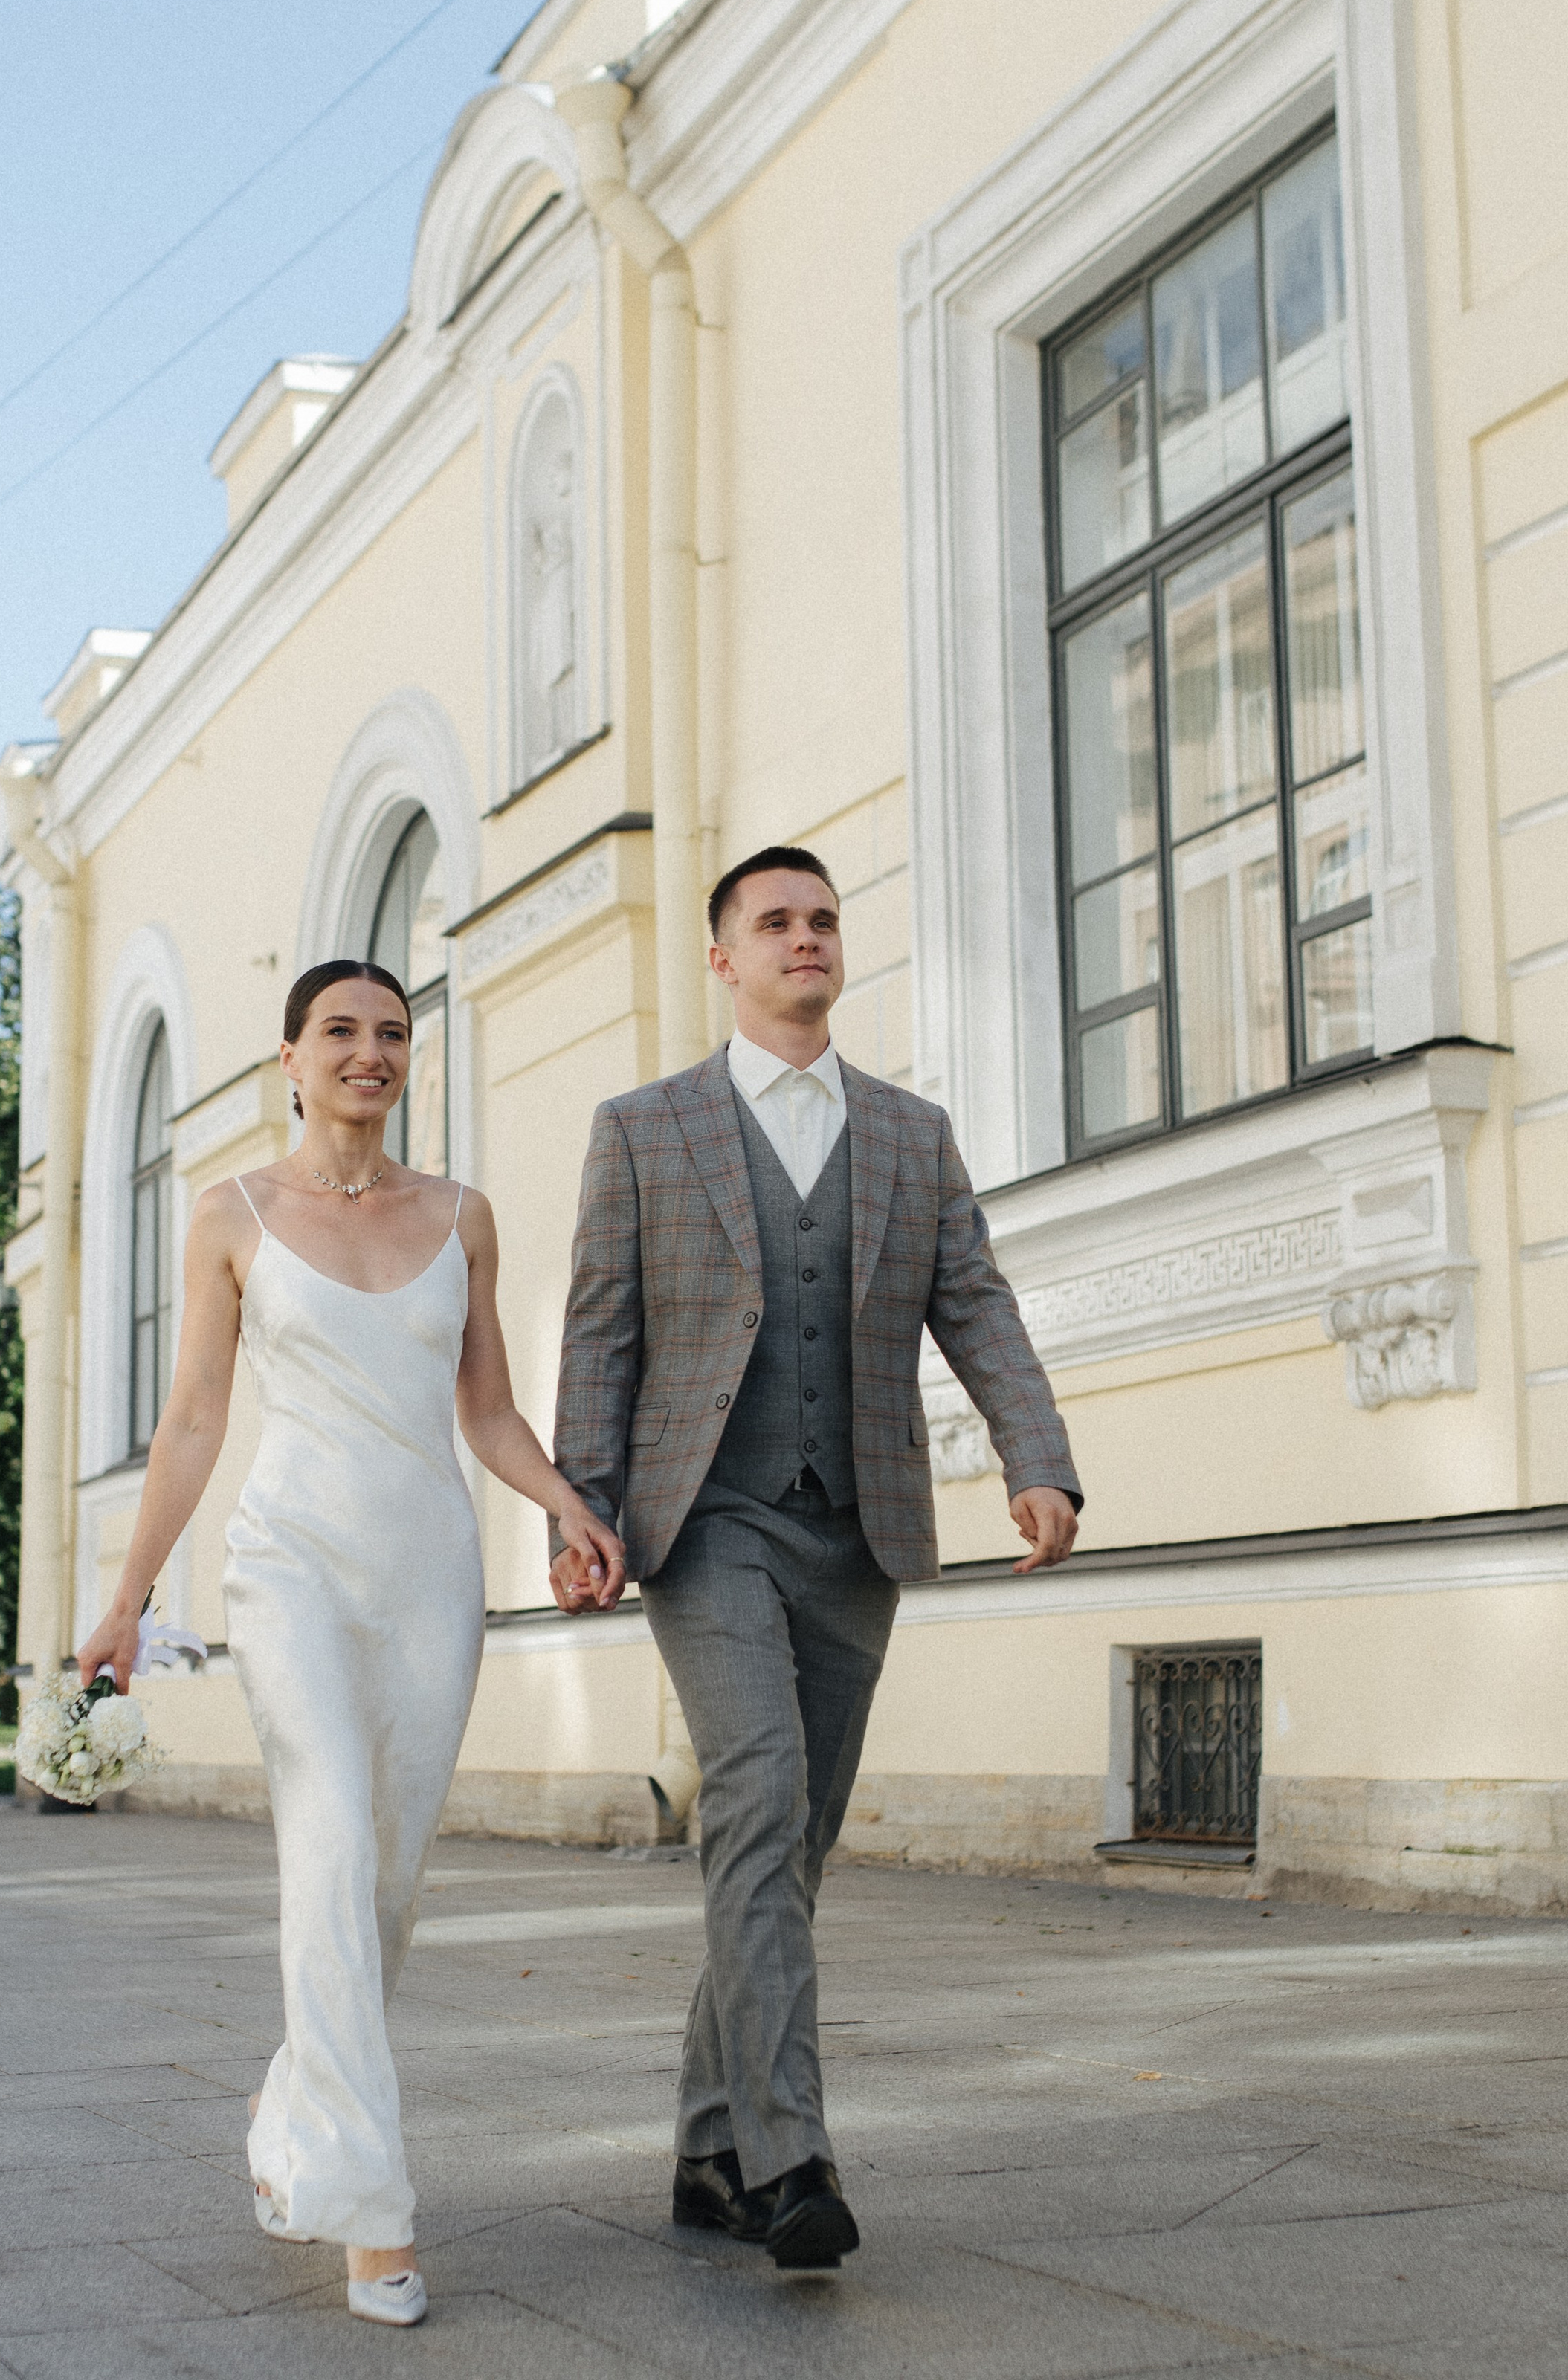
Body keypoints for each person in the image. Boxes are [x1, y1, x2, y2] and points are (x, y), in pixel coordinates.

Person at [552, 847, 1081, 2270]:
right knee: (763, 1793)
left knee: (794, 1841)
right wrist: (579, 1508)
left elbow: (974, 1297)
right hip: (703, 1518)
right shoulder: (643, 1128)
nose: (806, 940)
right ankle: (792, 2163)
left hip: (856, 1524)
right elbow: (602, 1333)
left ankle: (707, 2149)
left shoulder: (911, 1135)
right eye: (774, 923)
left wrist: (1036, 1457)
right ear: (721, 959)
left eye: (824, 922)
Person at [77, 960, 623, 2326]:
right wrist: (129, 1598)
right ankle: (374, 2216)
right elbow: (195, 1420)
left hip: (431, 1574)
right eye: (342, 1032)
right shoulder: (231, 1214)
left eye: (392, 1034)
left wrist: (567, 1505)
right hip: (292, 1572)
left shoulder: (464, 1218)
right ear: (292, 1058)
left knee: (382, 1884)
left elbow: (488, 1411)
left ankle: (293, 2108)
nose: (370, 1053)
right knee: (326, 1846)